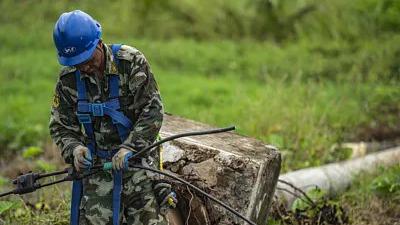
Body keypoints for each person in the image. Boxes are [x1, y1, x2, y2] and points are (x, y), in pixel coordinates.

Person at [49, 10, 175, 225]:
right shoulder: (68, 80)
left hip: (138, 161)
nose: (84, 68)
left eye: (88, 60)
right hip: (98, 167)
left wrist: (130, 147)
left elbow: (152, 111)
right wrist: (75, 150)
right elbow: (61, 127)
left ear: (99, 44)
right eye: (77, 64)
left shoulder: (131, 62)